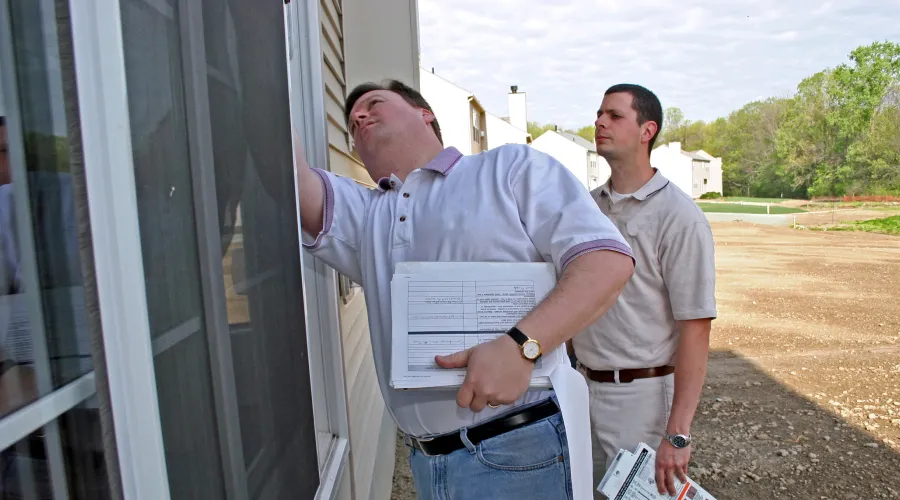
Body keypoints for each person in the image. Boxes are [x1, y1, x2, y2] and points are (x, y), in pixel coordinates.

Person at [295, 80, 635, 499]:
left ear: (425, 114)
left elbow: (606, 261)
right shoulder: (367, 214)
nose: (359, 117)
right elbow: (293, 177)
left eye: (374, 103)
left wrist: (521, 347)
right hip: (426, 460)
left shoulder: (508, 168)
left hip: (518, 450)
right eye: (351, 123)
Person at [571, 84, 717, 498]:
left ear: (646, 131)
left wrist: (677, 433)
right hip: (582, 389)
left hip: (643, 398)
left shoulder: (679, 217)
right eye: (599, 114)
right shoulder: (585, 208)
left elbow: (696, 328)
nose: (600, 123)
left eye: (615, 116)